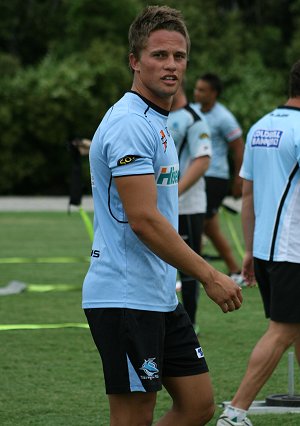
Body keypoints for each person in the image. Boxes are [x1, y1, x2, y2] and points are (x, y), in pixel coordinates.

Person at [82, 6, 243, 426]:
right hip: (124, 295)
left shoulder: (158, 120)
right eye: (159, 55)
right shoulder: (129, 123)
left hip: (156, 294)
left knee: (198, 404)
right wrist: (210, 274)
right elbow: (144, 219)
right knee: (135, 416)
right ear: (135, 61)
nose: (171, 65)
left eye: (179, 56)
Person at [216, 60, 300, 426]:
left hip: (268, 251)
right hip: (294, 251)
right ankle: (236, 411)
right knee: (283, 331)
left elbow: (246, 195)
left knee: (296, 330)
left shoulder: (261, 126)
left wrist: (249, 250)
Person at [168, 83, 212, 334]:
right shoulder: (154, 115)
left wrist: (172, 193)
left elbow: (203, 160)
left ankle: (190, 325)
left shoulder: (193, 119)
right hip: (159, 207)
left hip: (188, 207)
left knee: (188, 267)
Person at [193, 73, 245, 284]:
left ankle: (192, 275)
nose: (196, 93)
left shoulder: (224, 117)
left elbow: (239, 148)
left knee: (196, 225)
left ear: (213, 93)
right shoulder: (193, 111)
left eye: (202, 90)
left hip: (215, 177)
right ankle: (235, 271)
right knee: (210, 228)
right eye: (196, 89)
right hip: (195, 175)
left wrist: (239, 179)